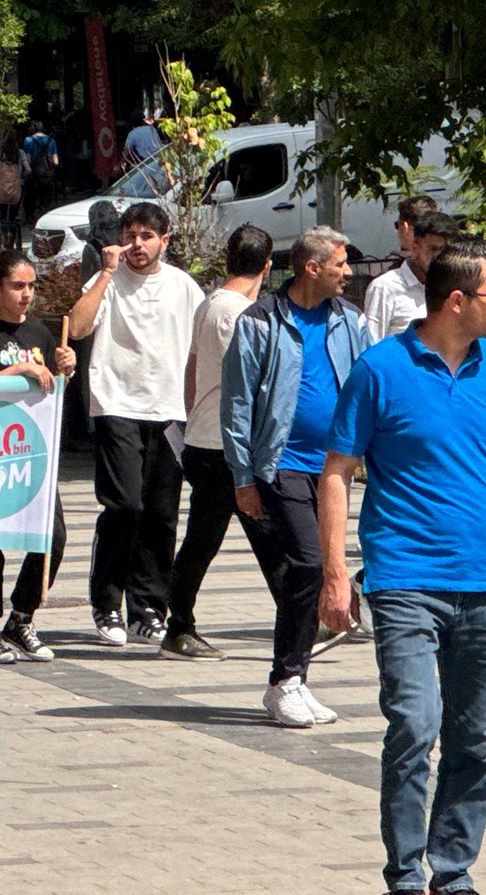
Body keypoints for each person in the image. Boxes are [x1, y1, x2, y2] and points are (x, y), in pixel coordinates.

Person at [319, 237, 486, 895]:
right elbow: (338, 473)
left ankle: (451, 873)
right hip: (404, 578)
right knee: (414, 723)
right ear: (456, 299)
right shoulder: (380, 369)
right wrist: (336, 574)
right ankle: (405, 875)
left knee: (473, 739)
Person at [220, 227, 370, 726]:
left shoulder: (351, 321)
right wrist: (243, 477)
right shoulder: (261, 322)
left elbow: (371, 388)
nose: (348, 272)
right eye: (340, 264)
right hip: (281, 462)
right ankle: (285, 681)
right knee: (308, 564)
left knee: (311, 569)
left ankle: (294, 679)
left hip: (335, 467)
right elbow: (237, 403)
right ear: (312, 267)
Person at [68, 201, 205, 647]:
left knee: (161, 514)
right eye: (130, 234)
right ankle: (107, 601)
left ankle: (148, 608)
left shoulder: (184, 287)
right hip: (116, 404)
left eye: (147, 236)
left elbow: (203, 345)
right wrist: (106, 274)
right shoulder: (106, 280)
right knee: (124, 505)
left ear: (165, 241)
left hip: (169, 411)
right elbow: (78, 327)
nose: (137, 244)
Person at [159, 225, 287, 662]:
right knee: (241, 535)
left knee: (248, 535)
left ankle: (300, 613)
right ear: (267, 266)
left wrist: (193, 417)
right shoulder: (244, 315)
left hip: (205, 438)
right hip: (227, 447)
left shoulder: (210, 305)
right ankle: (178, 626)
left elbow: (193, 369)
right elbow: (251, 388)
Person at [0, 249, 77, 665]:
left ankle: (22, 617)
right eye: (17, 286)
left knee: (52, 535)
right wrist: (18, 371)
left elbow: (55, 395)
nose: (26, 295)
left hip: (33, 450)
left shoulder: (42, 333)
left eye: (31, 286)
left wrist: (66, 370)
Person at [364, 210, 460, 342]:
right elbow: (371, 343)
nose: (439, 257)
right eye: (433, 249)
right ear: (415, 247)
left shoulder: (453, 289)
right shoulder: (386, 287)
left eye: (445, 251)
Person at [21, 121, 61, 222]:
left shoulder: (28, 140)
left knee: (30, 197)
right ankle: (46, 218)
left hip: (34, 175)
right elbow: (56, 161)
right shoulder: (51, 140)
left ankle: (31, 219)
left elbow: (28, 159)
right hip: (48, 175)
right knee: (46, 199)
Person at [0, 137, 29, 246]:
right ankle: (12, 239)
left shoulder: (1, 154)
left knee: (2, 216)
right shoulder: (20, 153)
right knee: (13, 218)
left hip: (2, 190)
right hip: (16, 189)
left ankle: (3, 239)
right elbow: (28, 169)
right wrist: (22, 177)